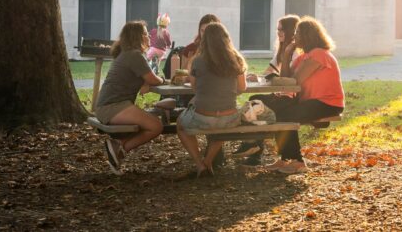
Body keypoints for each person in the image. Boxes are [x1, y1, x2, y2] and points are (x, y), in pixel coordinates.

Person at [267, 17, 345, 175]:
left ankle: (297, 162)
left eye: (298, 33)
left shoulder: (319, 55)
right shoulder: (304, 56)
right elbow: (286, 78)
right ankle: (285, 158)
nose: (294, 36)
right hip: (312, 102)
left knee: (286, 115)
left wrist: (286, 74)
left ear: (308, 36)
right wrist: (287, 54)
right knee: (278, 112)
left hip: (327, 103)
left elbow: (294, 81)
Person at [175, 22, 247, 178]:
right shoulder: (236, 60)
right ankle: (208, 162)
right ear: (226, 38)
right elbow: (242, 88)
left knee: (180, 124)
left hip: (203, 116)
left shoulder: (198, 61)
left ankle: (200, 164)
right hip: (230, 118)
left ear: (204, 40)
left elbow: (195, 88)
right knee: (221, 127)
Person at [94, 21, 166, 174]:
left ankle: (117, 148)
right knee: (156, 126)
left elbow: (140, 78)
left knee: (152, 120)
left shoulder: (127, 54)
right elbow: (153, 79)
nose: (148, 36)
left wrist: (145, 82)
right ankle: (120, 149)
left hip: (110, 105)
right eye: (146, 33)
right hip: (112, 107)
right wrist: (162, 80)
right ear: (138, 37)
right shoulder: (134, 56)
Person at [234, 14, 300, 164]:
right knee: (254, 101)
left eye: (282, 29)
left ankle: (254, 148)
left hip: (290, 97)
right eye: (277, 29)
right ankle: (254, 148)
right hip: (281, 94)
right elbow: (268, 72)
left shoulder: (295, 52)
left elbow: (292, 80)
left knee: (257, 105)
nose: (278, 32)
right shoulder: (282, 50)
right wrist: (255, 76)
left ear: (291, 31)